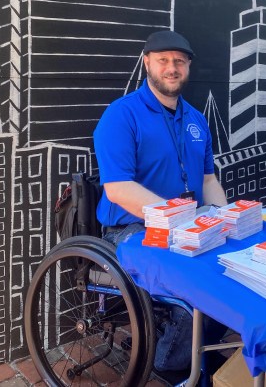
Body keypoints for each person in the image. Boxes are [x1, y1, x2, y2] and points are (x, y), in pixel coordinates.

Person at [94, 30, 228, 374]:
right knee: (193, 287)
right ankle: (166, 363)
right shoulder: (120, 115)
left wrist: (223, 220)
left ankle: (198, 351)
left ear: (188, 68)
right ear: (147, 63)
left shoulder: (197, 120)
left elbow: (209, 180)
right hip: (129, 229)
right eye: (164, 60)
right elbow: (118, 188)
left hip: (184, 225)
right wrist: (177, 221)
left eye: (180, 62)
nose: (172, 68)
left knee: (230, 269)